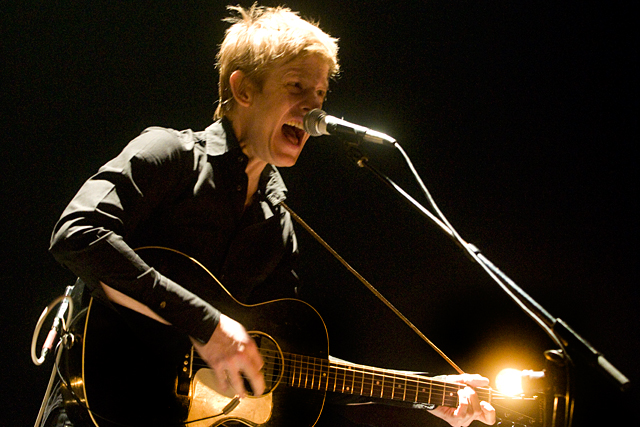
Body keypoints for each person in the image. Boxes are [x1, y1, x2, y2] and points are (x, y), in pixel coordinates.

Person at [40, 4, 496, 427]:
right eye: (296, 87)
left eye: (320, 93)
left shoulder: (277, 224)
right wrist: (206, 325)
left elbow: (289, 365)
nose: (313, 107)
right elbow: (76, 233)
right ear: (243, 89)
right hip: (91, 410)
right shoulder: (170, 154)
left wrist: (425, 392)